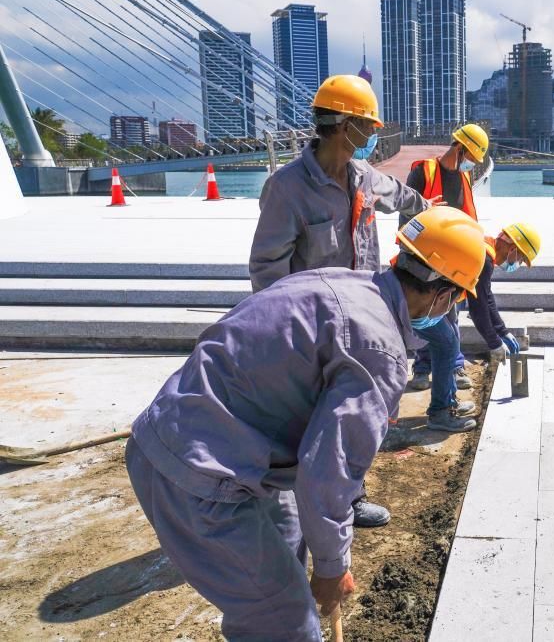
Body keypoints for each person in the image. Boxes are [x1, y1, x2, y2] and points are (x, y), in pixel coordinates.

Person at [126, 207, 487, 641]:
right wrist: (334, 569)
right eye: (457, 299)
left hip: (187, 427)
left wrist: (325, 557)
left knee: (291, 532)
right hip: (195, 475)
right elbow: (328, 470)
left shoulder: (335, 281)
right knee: (285, 619)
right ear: (443, 294)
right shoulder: (380, 352)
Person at [249, 74, 440, 528]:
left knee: (358, 414)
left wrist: (439, 218)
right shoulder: (288, 189)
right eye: (368, 127)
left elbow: (408, 200)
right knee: (311, 417)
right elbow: (266, 268)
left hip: (364, 318)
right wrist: (286, 334)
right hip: (312, 328)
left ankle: (349, 499)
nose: (374, 136)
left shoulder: (365, 178)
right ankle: (300, 504)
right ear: (342, 125)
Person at [402, 123, 489, 394]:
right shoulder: (423, 172)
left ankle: (455, 365)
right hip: (422, 260)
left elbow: (466, 220)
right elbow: (407, 217)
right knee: (425, 316)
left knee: (451, 314)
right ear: (460, 148)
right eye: (471, 159)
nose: (471, 166)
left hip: (451, 264)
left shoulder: (463, 180)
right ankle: (423, 368)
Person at [468, 222, 541, 364]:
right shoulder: (485, 259)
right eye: (521, 259)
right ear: (513, 249)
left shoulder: (486, 247)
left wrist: (502, 331)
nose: (517, 264)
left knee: (448, 342)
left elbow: (486, 296)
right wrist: (494, 342)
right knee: (447, 343)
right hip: (428, 294)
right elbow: (478, 306)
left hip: (439, 293)